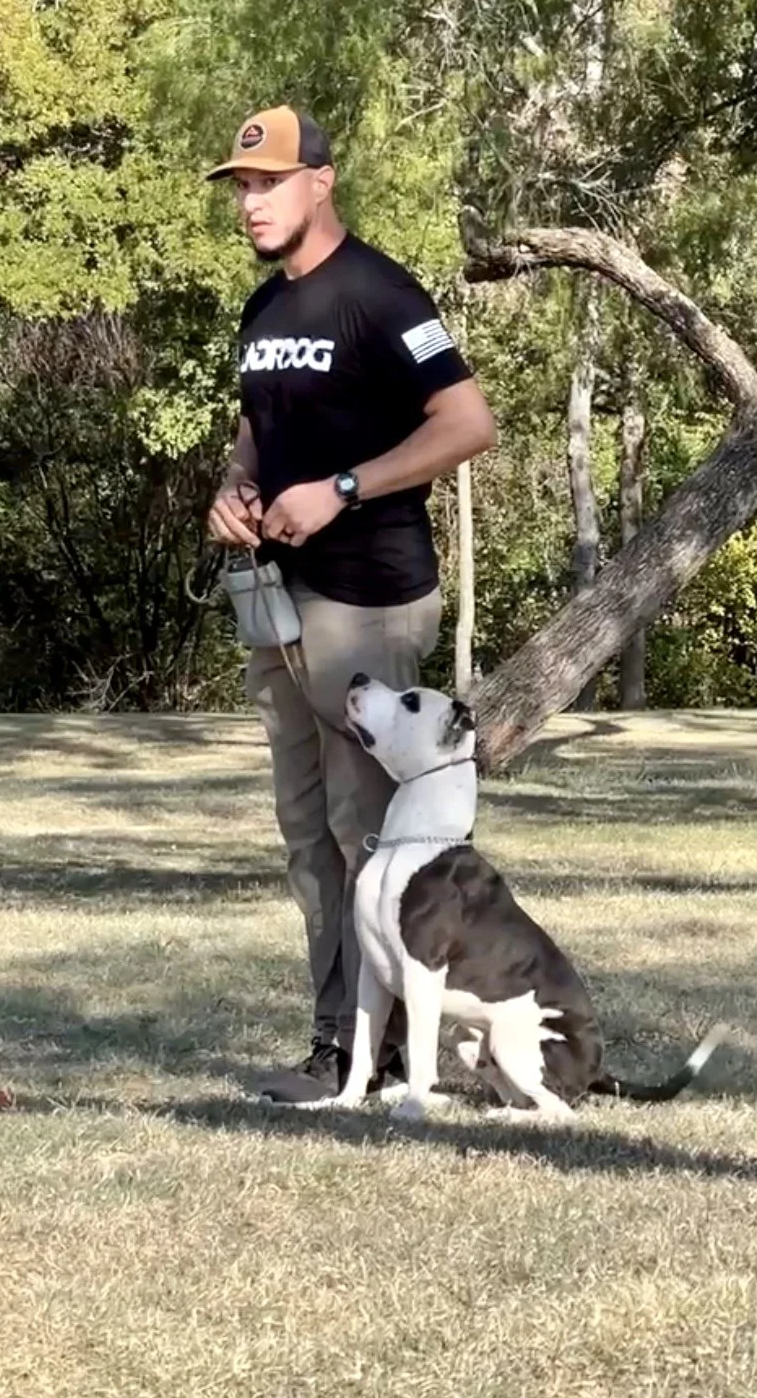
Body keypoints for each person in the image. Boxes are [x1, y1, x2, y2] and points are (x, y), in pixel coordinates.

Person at [204, 104, 497, 1103]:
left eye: (270, 182)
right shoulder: (262, 311)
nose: (252, 202)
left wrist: (338, 491)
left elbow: (468, 423)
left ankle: (424, 1051)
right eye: (242, 186)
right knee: (304, 829)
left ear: (320, 183)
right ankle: (339, 1045)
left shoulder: (378, 293)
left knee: (369, 833)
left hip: (367, 598)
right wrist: (235, 491)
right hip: (278, 607)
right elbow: (258, 431)